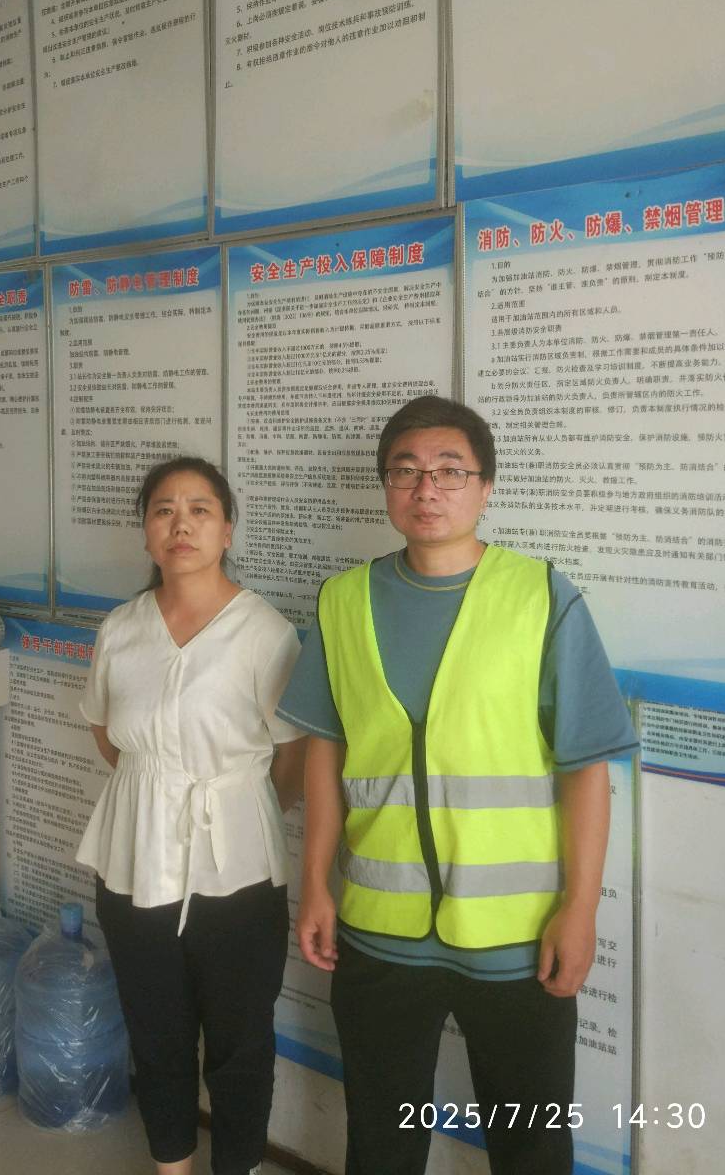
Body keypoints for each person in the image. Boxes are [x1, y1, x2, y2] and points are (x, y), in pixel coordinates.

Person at [278, 396, 638, 1175]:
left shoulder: (541, 596)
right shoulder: (342, 602)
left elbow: (586, 766)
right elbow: (326, 752)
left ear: (486, 487)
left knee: (531, 1144)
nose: (426, 488)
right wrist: (314, 886)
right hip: (377, 931)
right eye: (405, 471)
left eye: (449, 471)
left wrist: (580, 910)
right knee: (380, 1139)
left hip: (517, 937)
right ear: (385, 486)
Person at [77, 455, 306, 1175]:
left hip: (237, 864)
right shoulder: (121, 628)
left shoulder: (265, 632)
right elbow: (106, 731)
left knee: (240, 1043)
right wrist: (159, 789)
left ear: (227, 529)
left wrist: (231, 799)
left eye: (200, 510)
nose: (181, 525)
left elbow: (292, 757)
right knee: (156, 1032)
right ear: (147, 532)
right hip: (134, 856)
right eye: (164, 511)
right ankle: (171, 1166)